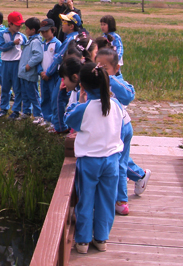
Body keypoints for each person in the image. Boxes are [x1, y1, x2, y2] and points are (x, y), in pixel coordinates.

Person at [65, 62, 124, 254]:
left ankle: (82, 241)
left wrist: (80, 102)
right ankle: (101, 238)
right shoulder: (115, 105)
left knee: (86, 199)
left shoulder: (85, 108)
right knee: (107, 199)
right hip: (112, 160)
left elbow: (69, 119)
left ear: (82, 86)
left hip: (90, 160)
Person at [96, 48, 151, 216]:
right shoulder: (96, 79)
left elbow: (129, 95)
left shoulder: (116, 82)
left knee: (119, 164)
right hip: (110, 129)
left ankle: (121, 201)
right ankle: (138, 176)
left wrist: (109, 79)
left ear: (116, 68)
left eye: (105, 67)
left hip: (121, 128)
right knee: (118, 161)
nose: (100, 69)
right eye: (98, 65)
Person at [45, 12, 82, 133]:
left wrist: (49, 72)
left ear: (71, 26)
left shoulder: (70, 40)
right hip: (73, 75)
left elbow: (58, 58)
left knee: (58, 99)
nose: (62, 25)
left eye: (64, 23)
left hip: (67, 75)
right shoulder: (78, 37)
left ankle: (60, 127)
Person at [0, 11, 27, 119]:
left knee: (17, 88)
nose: (19, 26)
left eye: (21, 24)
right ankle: (4, 108)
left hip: (17, 63)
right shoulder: (2, 34)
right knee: (5, 86)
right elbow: (1, 47)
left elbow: (27, 48)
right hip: (5, 63)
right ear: (10, 24)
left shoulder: (22, 36)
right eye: (17, 24)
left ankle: (16, 110)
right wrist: (12, 43)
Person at [18, 17, 44, 122]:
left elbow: (38, 55)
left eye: (27, 28)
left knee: (33, 95)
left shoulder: (36, 42)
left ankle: (39, 114)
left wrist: (29, 65)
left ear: (33, 30)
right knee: (25, 94)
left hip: (30, 74)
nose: (25, 30)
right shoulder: (30, 40)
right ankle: (26, 112)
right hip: (24, 74)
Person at [37, 19, 61, 126]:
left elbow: (58, 61)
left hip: (53, 76)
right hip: (43, 76)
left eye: (46, 31)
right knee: (45, 97)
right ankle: (46, 118)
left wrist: (49, 73)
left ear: (53, 30)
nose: (44, 34)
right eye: (42, 32)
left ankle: (53, 120)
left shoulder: (57, 44)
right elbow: (38, 59)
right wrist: (40, 72)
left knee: (53, 98)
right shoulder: (42, 44)